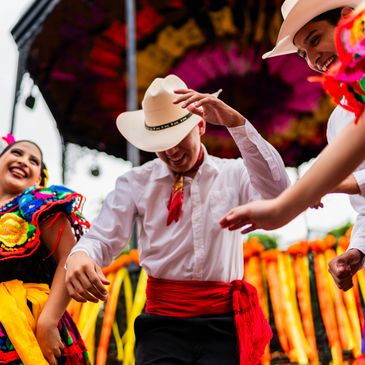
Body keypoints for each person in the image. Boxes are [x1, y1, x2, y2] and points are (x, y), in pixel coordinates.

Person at [65, 74, 290, 365]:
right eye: (160, 142)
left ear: (201, 125)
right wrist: (80, 255)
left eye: (177, 138)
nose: (171, 151)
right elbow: (101, 239)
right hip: (161, 325)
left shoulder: (234, 173)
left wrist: (237, 124)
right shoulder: (135, 182)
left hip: (224, 325)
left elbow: (280, 192)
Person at [220, 0, 365, 292]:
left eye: (314, 40)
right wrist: (357, 252)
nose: (312, 60)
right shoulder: (338, 120)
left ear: (348, 19)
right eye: (303, 54)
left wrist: (288, 204)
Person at [0, 139, 90, 365]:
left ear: (38, 179)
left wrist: (48, 322)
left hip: (31, 321)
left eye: (33, 161)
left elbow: (69, 258)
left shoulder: (38, 203)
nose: (23, 161)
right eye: (16, 153)